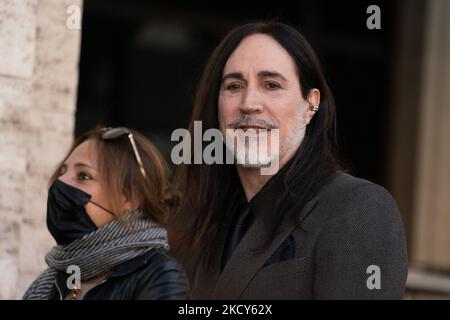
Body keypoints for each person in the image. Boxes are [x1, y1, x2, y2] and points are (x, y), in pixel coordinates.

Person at [169, 22, 408, 299]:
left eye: (271, 85)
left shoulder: (359, 208)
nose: (249, 103)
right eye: (234, 86)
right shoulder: (200, 223)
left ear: (310, 105)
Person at [23, 126, 189, 300]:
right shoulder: (50, 282)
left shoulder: (157, 275)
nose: (61, 182)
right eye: (63, 171)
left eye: (83, 176)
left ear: (128, 198)